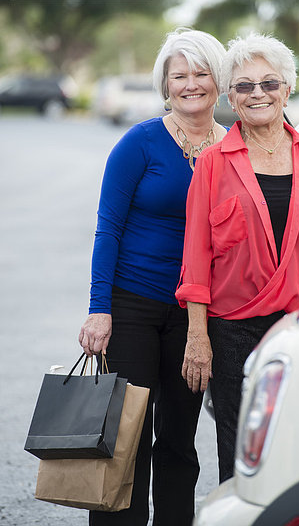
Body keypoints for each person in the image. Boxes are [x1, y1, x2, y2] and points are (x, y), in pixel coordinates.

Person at [176, 32, 299, 483]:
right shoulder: (212, 162)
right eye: (244, 86)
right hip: (232, 331)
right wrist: (198, 337)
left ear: (287, 89)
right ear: (231, 96)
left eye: (269, 83)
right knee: (237, 448)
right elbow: (196, 258)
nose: (258, 94)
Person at [78, 28, 227, 526]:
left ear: (218, 80)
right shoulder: (139, 143)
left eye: (201, 73)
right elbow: (108, 228)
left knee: (180, 440)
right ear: (165, 85)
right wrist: (100, 308)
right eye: (179, 75)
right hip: (133, 305)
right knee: (127, 438)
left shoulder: (231, 150)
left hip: (196, 314)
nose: (191, 84)